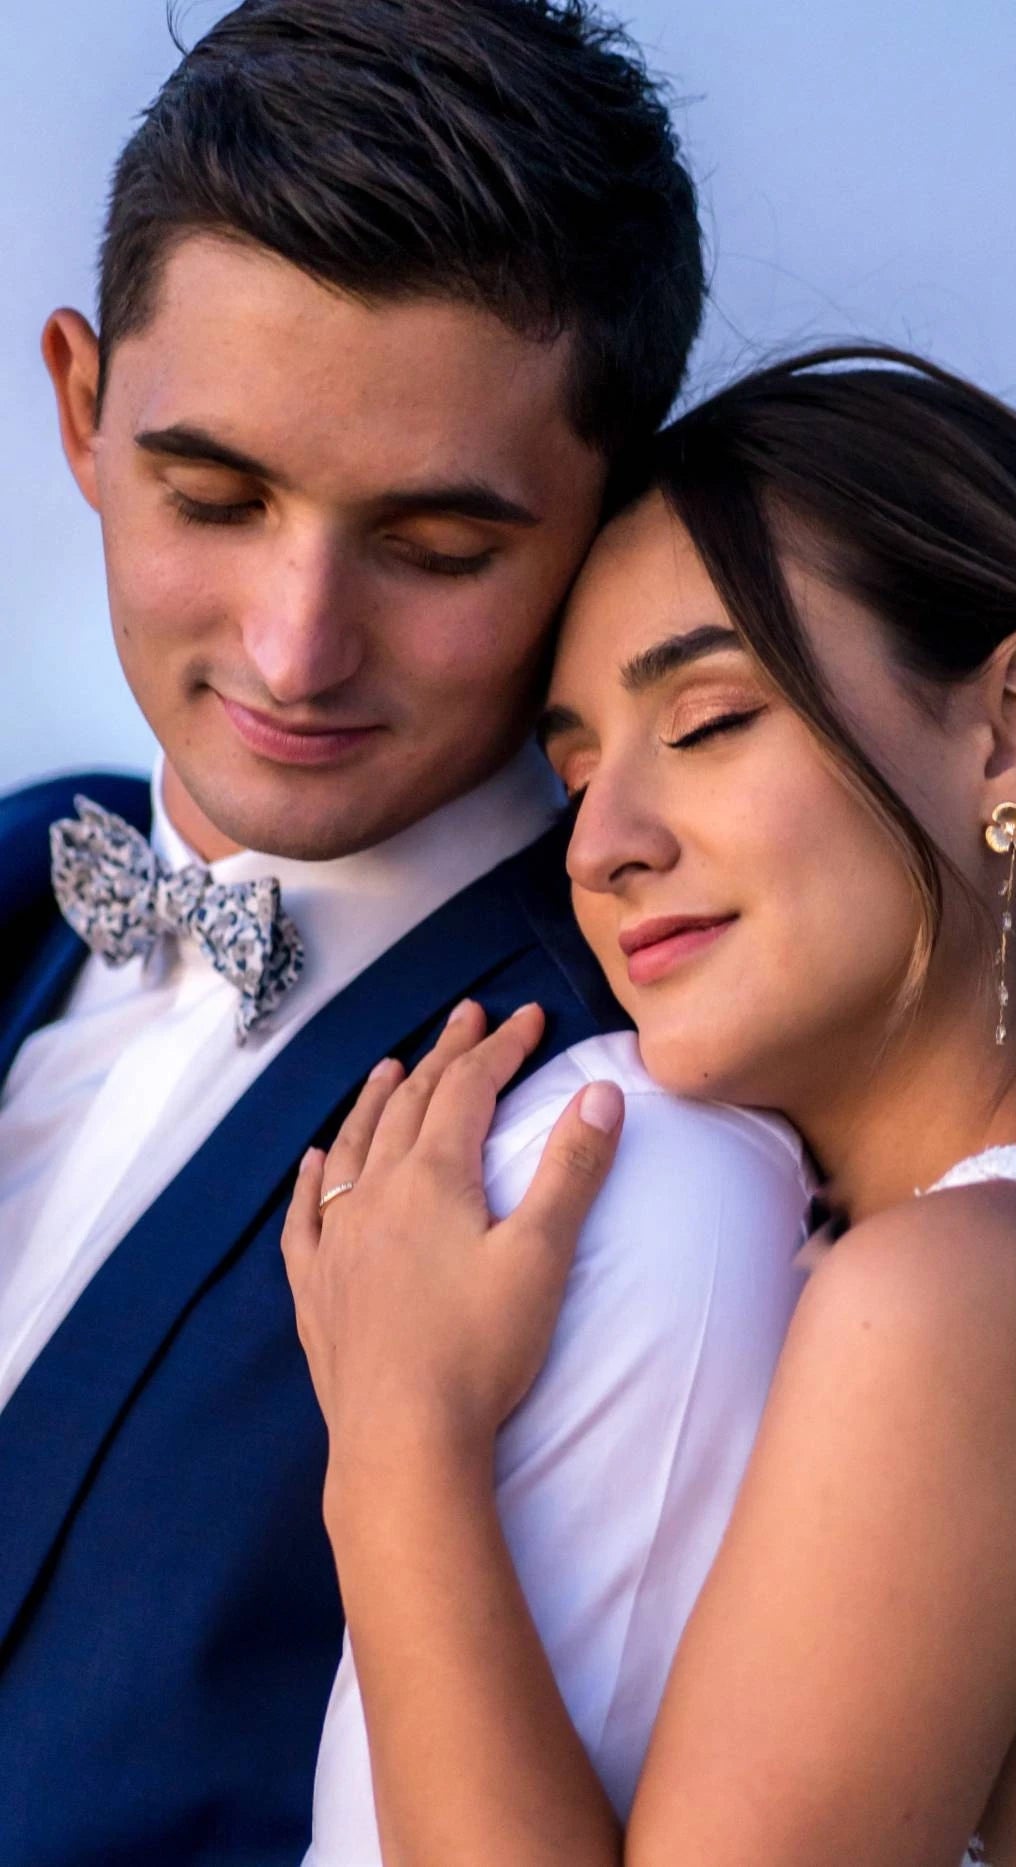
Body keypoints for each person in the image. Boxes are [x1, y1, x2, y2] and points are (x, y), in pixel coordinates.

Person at [0, 6, 813, 1863]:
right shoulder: (27, 868)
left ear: (607, 521)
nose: (297, 649)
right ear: (78, 407)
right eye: (213, 497)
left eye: (437, 549)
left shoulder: (628, 1158)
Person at [284, 345, 1016, 1866]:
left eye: (711, 721)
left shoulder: (966, 1302)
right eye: (575, 767)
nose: (600, 846)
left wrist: (398, 1443)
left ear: (1010, 729)